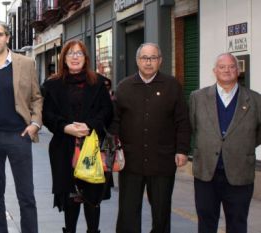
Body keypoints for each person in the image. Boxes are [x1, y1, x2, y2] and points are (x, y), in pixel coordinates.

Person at [110, 42, 191, 233]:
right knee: (128, 213)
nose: (148, 62)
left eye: (153, 58)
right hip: (130, 162)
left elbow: (182, 121)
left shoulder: (172, 86)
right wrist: (113, 149)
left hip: (162, 161)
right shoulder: (124, 86)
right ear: (138, 60)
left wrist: (182, 150)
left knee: (161, 213)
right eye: (144, 58)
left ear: (160, 61)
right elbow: (114, 122)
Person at [0, 19, 43, 233]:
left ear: (7, 37)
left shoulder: (25, 63)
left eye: (0, 34)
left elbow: (36, 97)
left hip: (20, 135)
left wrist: (35, 123)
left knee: (26, 194)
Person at [42, 40, 113, 233]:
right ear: (63, 58)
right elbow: (47, 115)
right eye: (70, 53)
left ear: (85, 58)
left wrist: (89, 126)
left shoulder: (98, 82)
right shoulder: (52, 85)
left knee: (92, 198)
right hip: (64, 148)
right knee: (71, 197)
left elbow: (107, 111)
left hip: (93, 148)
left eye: (79, 53)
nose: (75, 57)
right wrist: (65, 128)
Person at [189, 53, 261, 233]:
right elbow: (192, 127)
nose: (227, 70)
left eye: (231, 67)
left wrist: (243, 146)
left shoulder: (255, 99)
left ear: (238, 71)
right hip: (206, 173)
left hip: (239, 171)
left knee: (237, 222)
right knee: (206, 222)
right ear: (215, 71)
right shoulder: (197, 97)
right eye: (222, 67)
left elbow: (259, 131)